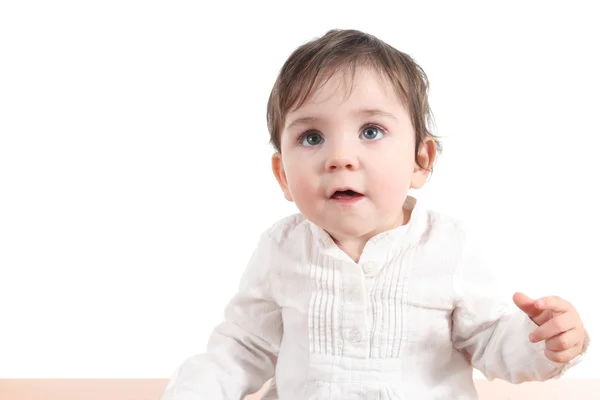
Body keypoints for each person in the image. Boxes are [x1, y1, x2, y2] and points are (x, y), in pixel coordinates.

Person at [161, 29, 589, 400]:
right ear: (283, 175)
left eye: (371, 131)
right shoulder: (281, 248)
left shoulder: (448, 245)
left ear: (421, 160)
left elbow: (491, 337)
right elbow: (243, 346)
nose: (340, 157)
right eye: (312, 136)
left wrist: (543, 343)